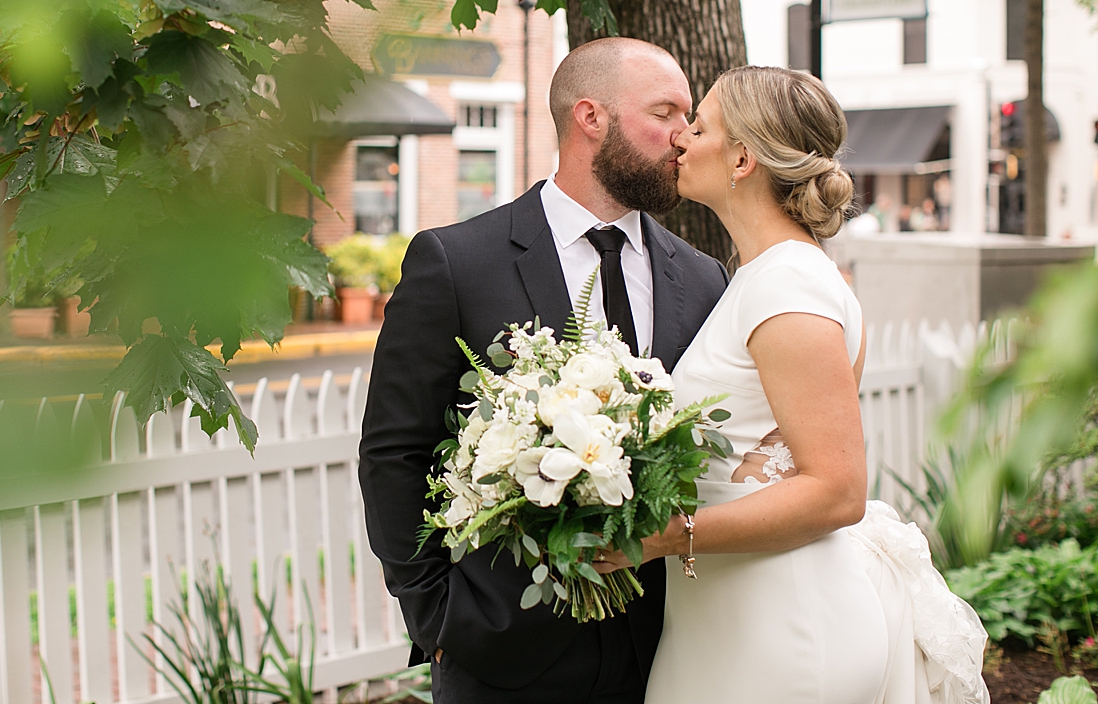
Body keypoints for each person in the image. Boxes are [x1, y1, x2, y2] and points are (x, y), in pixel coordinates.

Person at [595, 65, 987, 704]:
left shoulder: (788, 287)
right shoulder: (759, 277)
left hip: (783, 625)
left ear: (743, 157)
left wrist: (668, 535)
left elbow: (837, 491)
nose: (680, 141)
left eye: (697, 127)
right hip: (727, 614)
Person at [358, 38, 729, 704]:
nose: (685, 136)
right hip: (503, 650)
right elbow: (394, 451)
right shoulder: (457, 263)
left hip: (673, 652)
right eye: (667, 112)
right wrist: (437, 617)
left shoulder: (704, 280)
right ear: (591, 117)